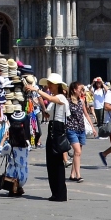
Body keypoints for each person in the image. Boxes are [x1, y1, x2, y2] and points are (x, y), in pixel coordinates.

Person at [31, 73, 69, 201]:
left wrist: (37, 90)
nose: (48, 87)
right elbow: (48, 115)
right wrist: (38, 104)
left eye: (50, 84)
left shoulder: (61, 97)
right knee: (51, 162)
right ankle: (55, 192)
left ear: (56, 85)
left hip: (58, 129)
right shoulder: (54, 98)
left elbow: (53, 100)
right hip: (53, 127)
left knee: (57, 162)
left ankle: (60, 193)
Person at [66, 82, 93, 183]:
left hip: (81, 129)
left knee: (78, 153)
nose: (82, 91)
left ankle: (72, 174)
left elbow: (86, 114)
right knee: (77, 152)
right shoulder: (67, 102)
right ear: (74, 90)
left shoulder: (81, 101)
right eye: (80, 89)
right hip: (71, 129)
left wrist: (93, 128)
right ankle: (78, 175)